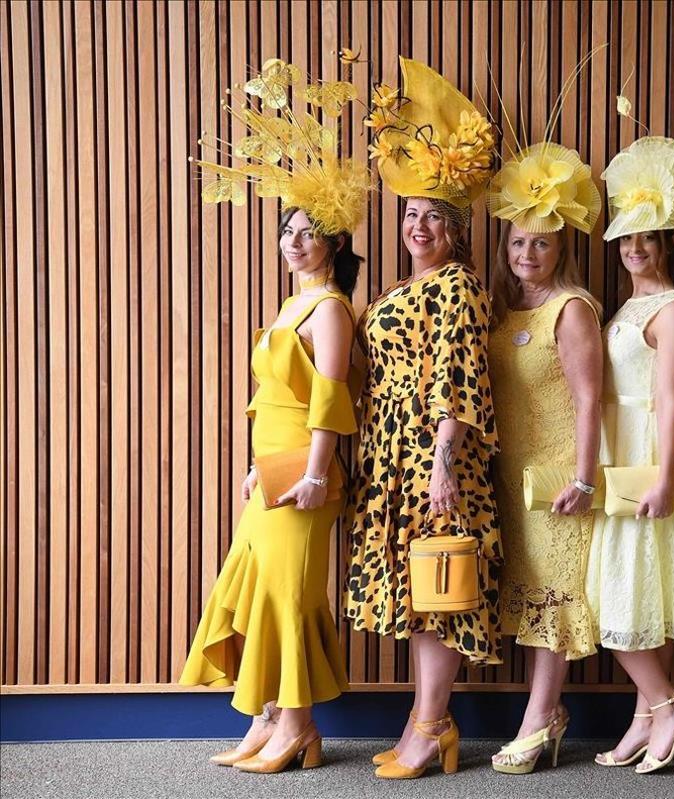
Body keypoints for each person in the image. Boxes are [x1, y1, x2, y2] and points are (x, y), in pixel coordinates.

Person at [181, 59, 368, 774]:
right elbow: (273, 402)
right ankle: (272, 719)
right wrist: (253, 469)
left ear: (335, 243)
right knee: (261, 586)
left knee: (290, 592)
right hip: (276, 468)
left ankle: (298, 726)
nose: (295, 240)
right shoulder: (293, 304)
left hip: (306, 474)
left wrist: (319, 472)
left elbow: (327, 398)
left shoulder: (328, 308)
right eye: (289, 229)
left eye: (309, 230)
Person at [344, 58, 501, 780]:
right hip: (391, 456)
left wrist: (442, 461)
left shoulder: (459, 285)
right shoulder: (400, 286)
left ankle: (435, 723)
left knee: (439, 586)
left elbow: (459, 373)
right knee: (416, 587)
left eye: (433, 216)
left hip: (436, 455)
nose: (419, 225)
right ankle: (421, 719)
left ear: (456, 228)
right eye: (411, 213)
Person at [588, 133, 674, 774]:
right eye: (627, 238)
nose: (635, 248)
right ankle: (646, 716)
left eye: (648, 237)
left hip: (650, 451)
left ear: (667, 245)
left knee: (623, 590)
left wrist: (666, 478)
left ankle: (668, 704)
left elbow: (670, 401)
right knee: (625, 589)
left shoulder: (673, 309)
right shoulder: (628, 306)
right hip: (619, 449)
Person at [484, 138, 605, 774]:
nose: (527, 254)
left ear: (561, 249)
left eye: (540, 243)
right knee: (526, 590)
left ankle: (542, 717)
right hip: (509, 474)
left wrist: (584, 479)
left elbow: (592, 402)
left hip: (559, 475)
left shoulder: (573, 308)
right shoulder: (502, 311)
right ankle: (542, 713)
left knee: (554, 596)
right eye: (517, 243)